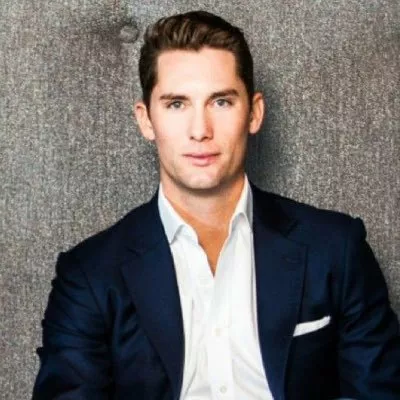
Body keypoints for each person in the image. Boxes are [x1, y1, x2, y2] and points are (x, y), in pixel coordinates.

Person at [32, 10, 400, 400]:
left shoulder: (336, 249)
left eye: (221, 102)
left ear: (254, 113)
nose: (200, 130)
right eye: (177, 104)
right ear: (146, 120)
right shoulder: (89, 275)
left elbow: (379, 392)